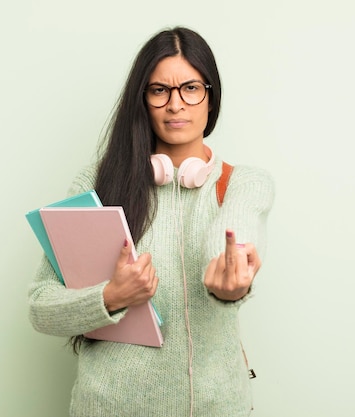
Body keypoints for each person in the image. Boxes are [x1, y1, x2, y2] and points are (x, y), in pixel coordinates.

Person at [28, 26, 274, 417]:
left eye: (191, 88)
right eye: (160, 90)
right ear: (142, 100)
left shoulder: (242, 183)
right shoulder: (98, 183)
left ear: (211, 98)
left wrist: (231, 278)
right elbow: (41, 307)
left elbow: (234, 235)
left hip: (215, 407)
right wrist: (111, 296)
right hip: (108, 407)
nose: (176, 104)